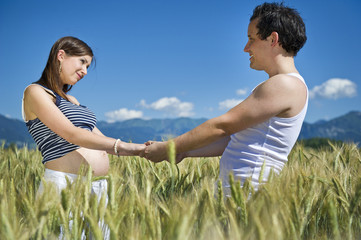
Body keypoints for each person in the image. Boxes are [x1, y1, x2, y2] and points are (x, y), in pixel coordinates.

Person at [143, 2, 308, 194]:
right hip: (238, 193)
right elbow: (234, 139)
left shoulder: (285, 85)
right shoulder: (282, 85)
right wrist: (184, 151)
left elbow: (223, 126)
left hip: (247, 194)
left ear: (272, 39)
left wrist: (168, 147)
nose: (246, 48)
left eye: (251, 39)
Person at [22, 36, 145, 238]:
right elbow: (72, 134)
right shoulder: (35, 92)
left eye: (88, 66)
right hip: (64, 187)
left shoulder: (72, 100)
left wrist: (145, 149)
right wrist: (132, 148)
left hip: (99, 188)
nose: (85, 72)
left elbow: (100, 139)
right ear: (61, 55)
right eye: (82, 62)